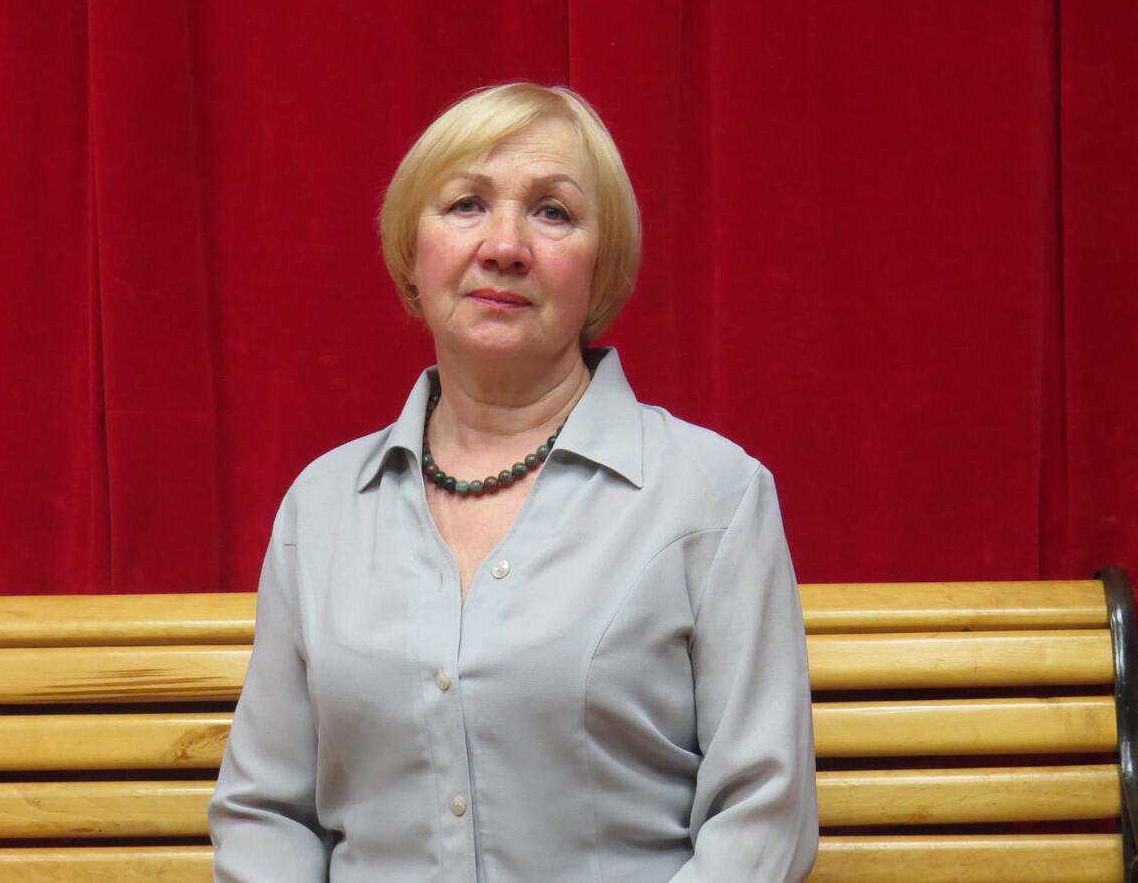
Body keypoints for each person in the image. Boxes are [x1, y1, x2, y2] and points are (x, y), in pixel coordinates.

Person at [208, 82, 818, 882]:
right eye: (466, 204)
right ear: (413, 251)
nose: (504, 246)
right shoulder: (321, 509)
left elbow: (763, 815)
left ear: (600, 269)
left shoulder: (712, 497)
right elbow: (266, 813)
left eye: (553, 212)